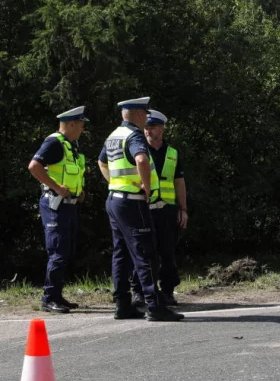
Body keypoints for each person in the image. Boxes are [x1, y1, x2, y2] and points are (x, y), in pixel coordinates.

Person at [97, 97, 183, 322]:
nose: (146, 119)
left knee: (121, 254)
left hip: (114, 200)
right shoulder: (133, 135)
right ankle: (155, 306)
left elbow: (102, 162)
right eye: (144, 114)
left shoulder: (113, 136)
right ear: (136, 114)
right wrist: (145, 185)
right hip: (132, 202)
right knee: (145, 253)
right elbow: (142, 160)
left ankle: (122, 305)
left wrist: (113, 183)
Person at [27, 106, 89, 314]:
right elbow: (34, 167)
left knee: (65, 251)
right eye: (81, 124)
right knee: (58, 252)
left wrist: (79, 191)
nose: (82, 129)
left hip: (68, 205)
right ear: (71, 124)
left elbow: (71, 173)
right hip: (55, 205)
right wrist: (57, 188)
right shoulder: (54, 142)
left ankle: (57, 295)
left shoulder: (71, 145)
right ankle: (49, 298)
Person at [131, 109, 187, 307]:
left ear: (162, 129)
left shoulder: (172, 153)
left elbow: (179, 181)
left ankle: (168, 291)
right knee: (144, 252)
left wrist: (183, 209)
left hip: (167, 209)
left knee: (167, 252)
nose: (148, 131)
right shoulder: (138, 149)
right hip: (144, 207)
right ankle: (139, 292)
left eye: (152, 128)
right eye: (146, 128)